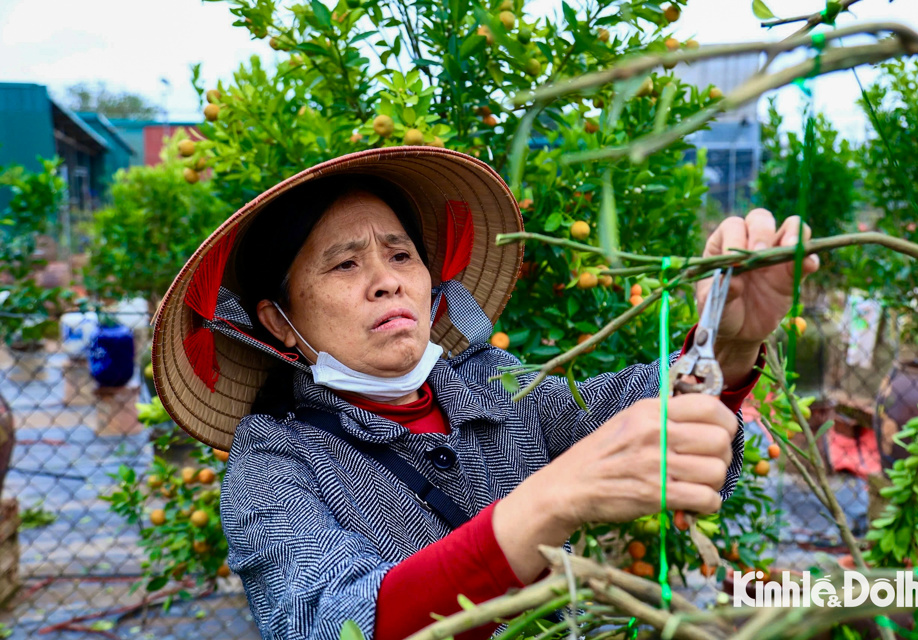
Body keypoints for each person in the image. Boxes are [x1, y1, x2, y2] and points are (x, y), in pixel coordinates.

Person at [151, 147, 818, 640]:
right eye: (345, 263)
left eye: (401, 254)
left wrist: (721, 341)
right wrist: (547, 503)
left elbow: (639, 412)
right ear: (278, 321)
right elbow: (333, 621)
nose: (387, 282)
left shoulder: (493, 386)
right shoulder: (274, 464)